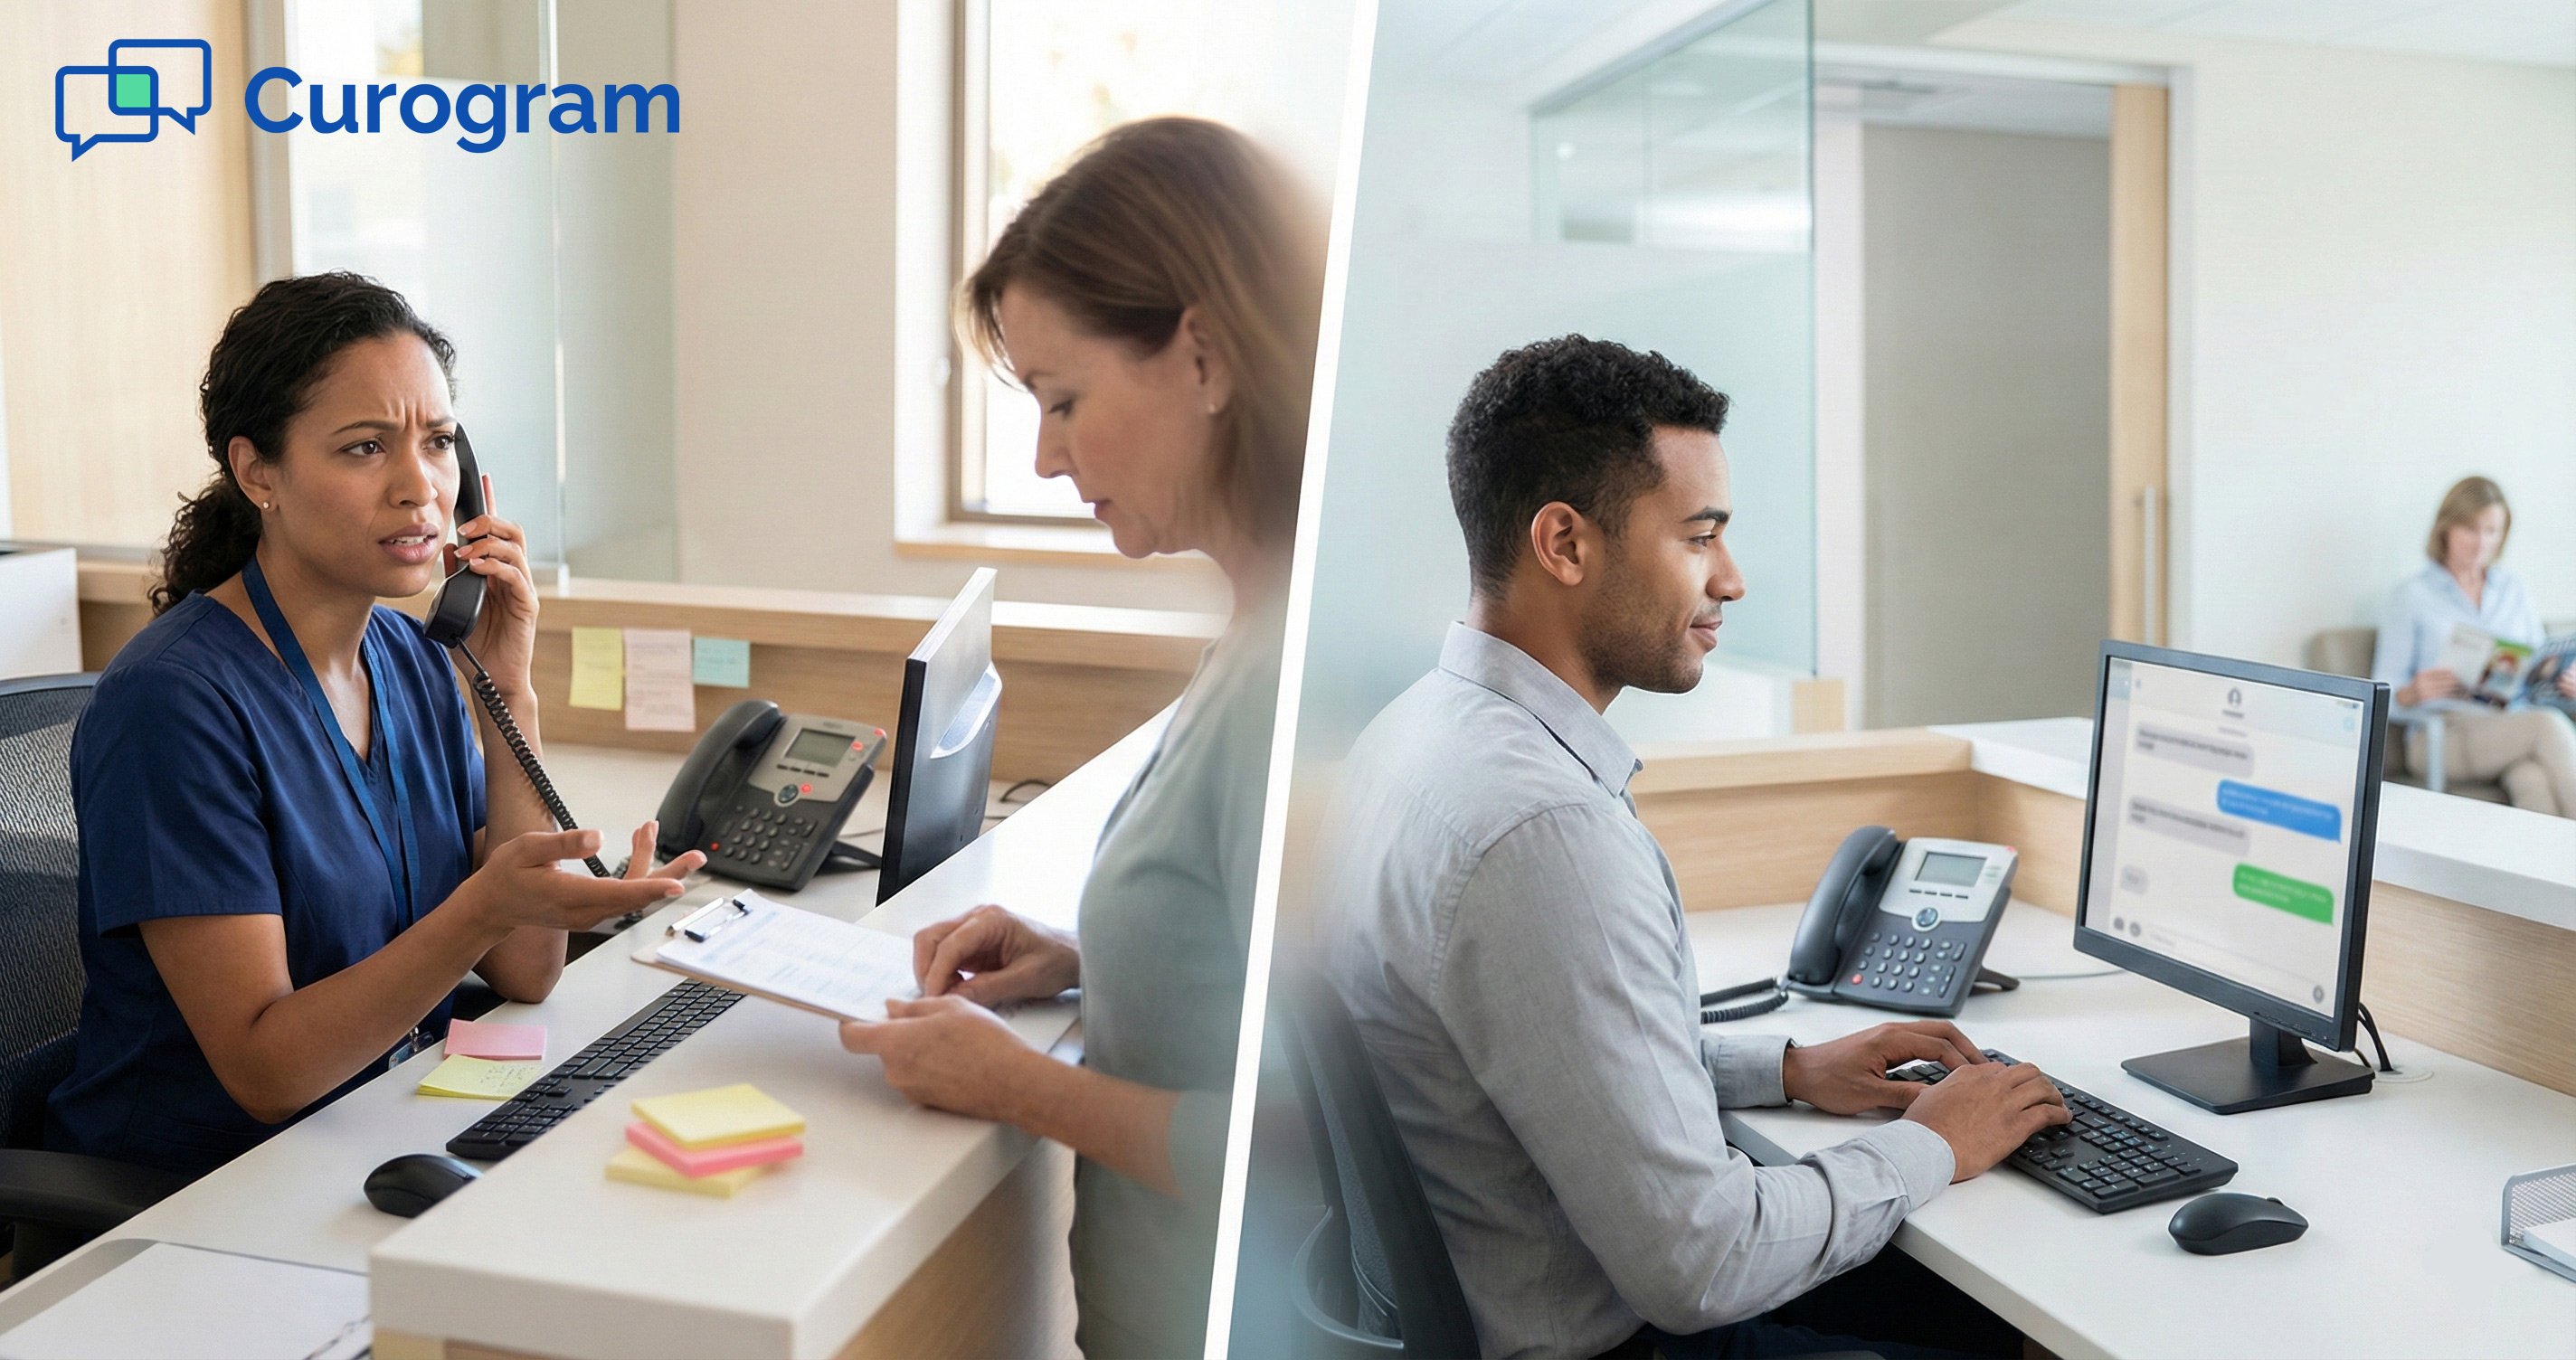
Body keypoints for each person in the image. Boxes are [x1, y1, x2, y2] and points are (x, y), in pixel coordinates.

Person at [1321, 336, 2072, 1360]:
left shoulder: (1410, 739)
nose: (1732, 578)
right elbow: (1704, 1262)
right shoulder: (1543, 832)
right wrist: (1931, 1143)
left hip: (1501, 1296)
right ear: (1565, 544)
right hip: (1616, 1340)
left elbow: (1545, 1062)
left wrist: (1789, 1069)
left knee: (1962, 1302)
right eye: (1699, 536)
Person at [831, 118, 1321, 1356]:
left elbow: (1331, 1147)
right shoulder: (1258, 632)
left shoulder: (1297, 687)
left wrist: (1023, 1087)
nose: (1047, 458)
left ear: (1203, 356)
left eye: (1064, 401)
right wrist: (1091, 957)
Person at [48, 273, 700, 1176]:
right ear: (258, 473)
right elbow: (268, 1072)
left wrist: (508, 691)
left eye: (438, 443)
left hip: (381, 1128)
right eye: (365, 448)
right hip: (204, 1185)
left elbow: (526, 969)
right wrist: (480, 908)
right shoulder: (171, 703)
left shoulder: (412, 658)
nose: (419, 487)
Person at [2371, 476, 2576, 815]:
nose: (2482, 542)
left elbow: (2537, 666)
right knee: (2547, 725)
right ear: (2446, 528)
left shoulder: (2514, 590)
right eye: (2470, 529)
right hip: (2441, 733)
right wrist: (2413, 692)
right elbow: (2383, 693)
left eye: (2492, 531)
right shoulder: (2412, 595)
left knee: (2533, 781)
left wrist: (2562, 682)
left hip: (2510, 725)